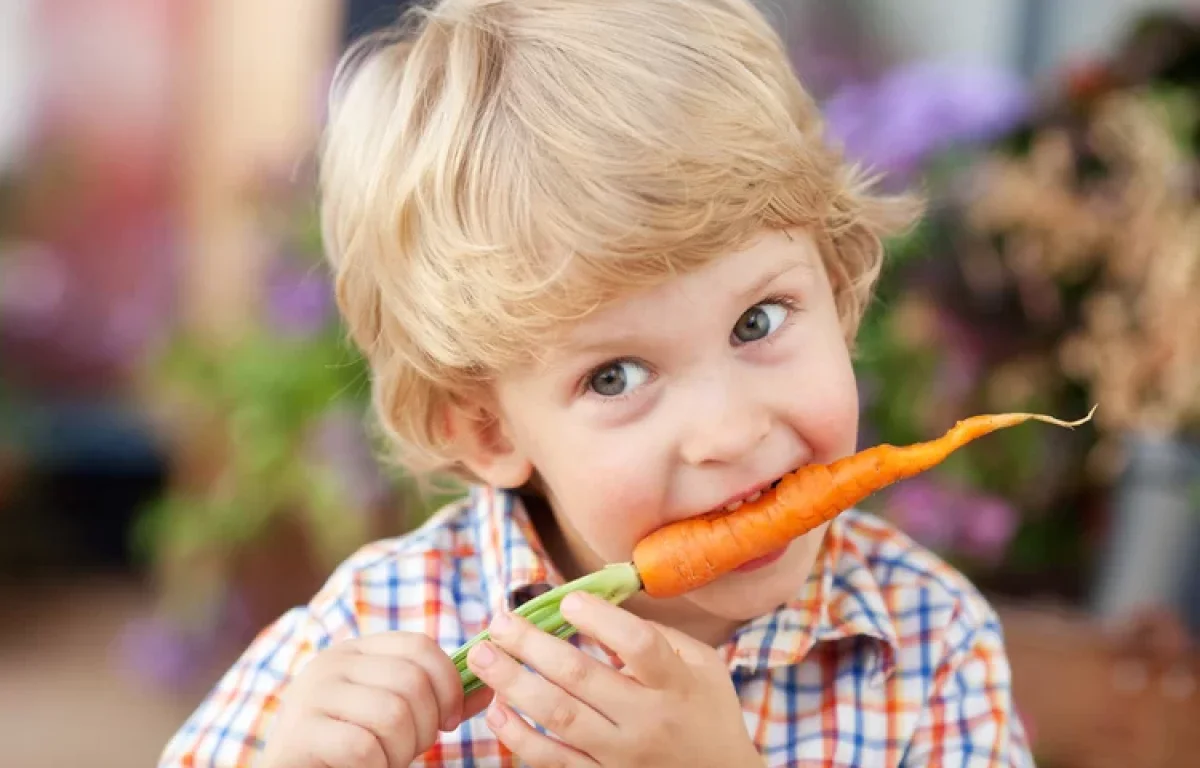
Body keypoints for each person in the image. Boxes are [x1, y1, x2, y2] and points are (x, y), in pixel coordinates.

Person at [159, 0, 1036, 765]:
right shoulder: (370, 631)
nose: (729, 431)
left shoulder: (928, 643)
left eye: (758, 321)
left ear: (837, 286)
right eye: (616, 377)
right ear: (487, 430)